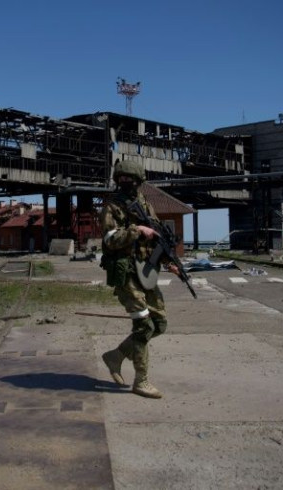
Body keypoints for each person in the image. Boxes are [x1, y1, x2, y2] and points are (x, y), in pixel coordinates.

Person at [99, 159, 179, 399]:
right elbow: (109, 240)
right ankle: (141, 381)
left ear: (138, 182)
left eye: (129, 180)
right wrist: (136, 231)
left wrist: (168, 261)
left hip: (146, 270)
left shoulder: (144, 203)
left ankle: (116, 355)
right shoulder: (112, 206)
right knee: (143, 325)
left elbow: (155, 238)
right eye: (121, 179)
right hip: (125, 274)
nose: (124, 183)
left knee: (160, 324)